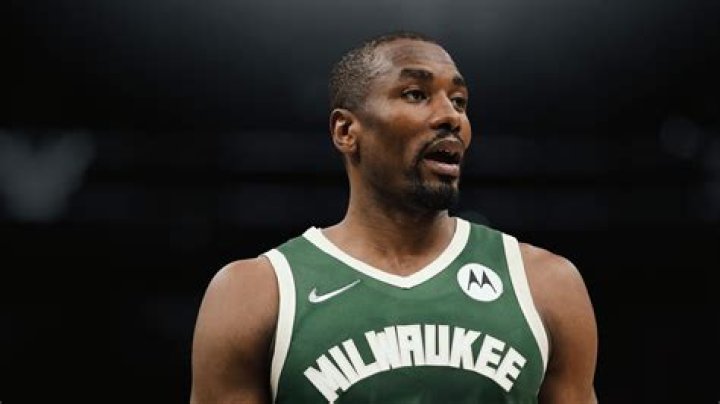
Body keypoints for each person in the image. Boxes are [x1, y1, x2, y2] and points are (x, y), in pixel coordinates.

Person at [190, 31, 598, 403]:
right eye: (416, 94)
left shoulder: (546, 284)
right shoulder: (255, 293)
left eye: (459, 101)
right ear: (346, 131)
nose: (451, 117)